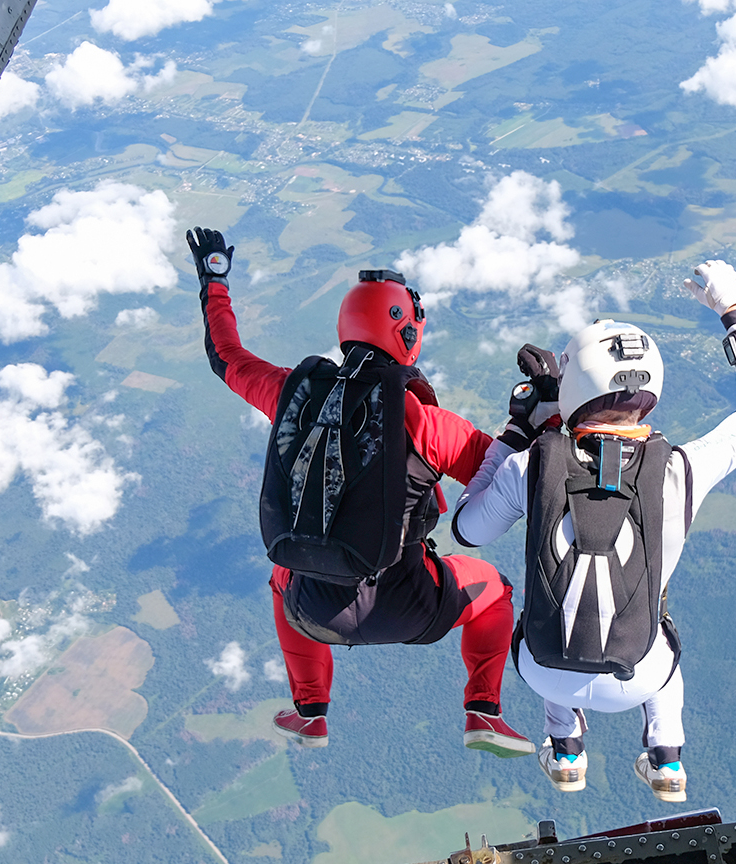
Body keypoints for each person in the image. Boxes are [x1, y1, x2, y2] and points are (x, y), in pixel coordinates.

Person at [186, 226, 546, 757]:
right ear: (406, 335)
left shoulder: (293, 392)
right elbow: (507, 477)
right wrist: (547, 415)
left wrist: (214, 280)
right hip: (411, 606)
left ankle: (310, 712)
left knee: (281, 574)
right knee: (495, 589)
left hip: (311, 611)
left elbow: (226, 357)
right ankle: (483, 712)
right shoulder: (425, 421)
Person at [451, 260, 736, 801]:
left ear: (574, 390)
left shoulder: (529, 465)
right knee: (664, 652)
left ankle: (566, 753)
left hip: (542, 670)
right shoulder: (681, 470)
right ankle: (667, 761)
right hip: (640, 676)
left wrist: (519, 430)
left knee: (554, 614)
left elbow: (467, 530)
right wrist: (734, 313)